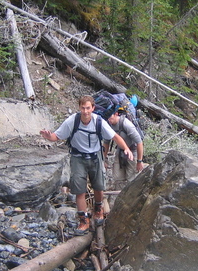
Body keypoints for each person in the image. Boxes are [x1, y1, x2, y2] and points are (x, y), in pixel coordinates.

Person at [40, 95, 133, 235]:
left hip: (95, 156)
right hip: (78, 157)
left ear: (93, 108)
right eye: (83, 108)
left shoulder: (98, 121)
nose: (85, 111)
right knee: (79, 190)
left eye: (88, 108)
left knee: (99, 186)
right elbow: (56, 136)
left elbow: (115, 136)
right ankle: (83, 220)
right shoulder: (73, 121)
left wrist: (126, 148)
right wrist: (48, 136)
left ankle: (98, 210)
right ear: (79, 108)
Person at [103, 110, 144, 190]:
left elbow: (139, 142)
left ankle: (130, 197)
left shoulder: (126, 124)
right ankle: (118, 197)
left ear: (116, 114)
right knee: (118, 178)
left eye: (110, 117)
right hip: (120, 151)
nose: (109, 120)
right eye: (107, 118)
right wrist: (103, 159)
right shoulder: (108, 125)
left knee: (131, 178)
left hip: (133, 151)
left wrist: (139, 161)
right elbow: (106, 143)